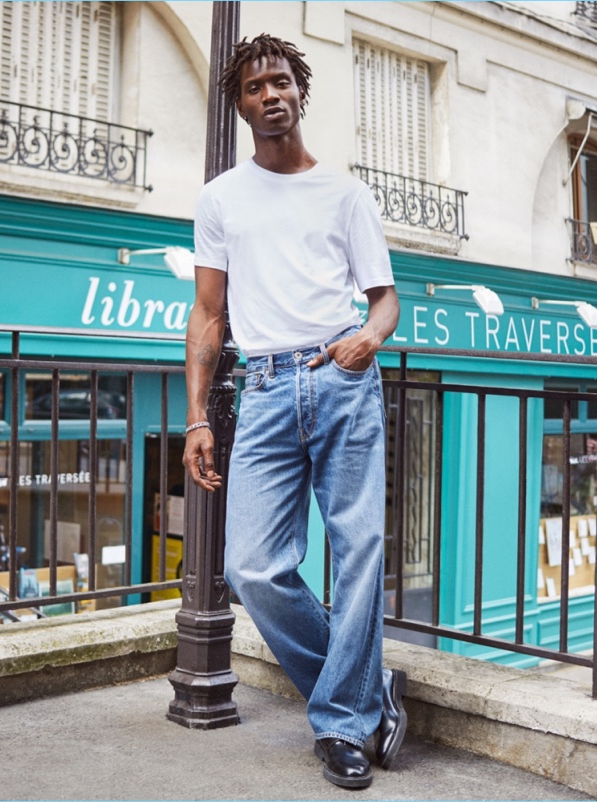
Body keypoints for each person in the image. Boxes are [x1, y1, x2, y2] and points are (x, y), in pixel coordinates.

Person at [182, 34, 406, 791]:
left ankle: (343, 725)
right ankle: (367, 695)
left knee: (358, 553)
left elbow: (385, 303)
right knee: (250, 567)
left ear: (299, 92)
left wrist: (364, 342)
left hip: (341, 380)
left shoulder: (345, 193)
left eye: (281, 82)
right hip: (268, 387)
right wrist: (197, 418)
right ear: (240, 104)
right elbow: (208, 316)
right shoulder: (221, 198)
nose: (270, 94)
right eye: (255, 87)